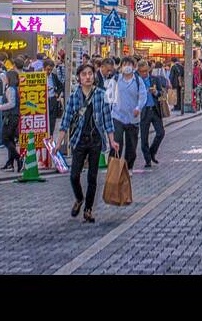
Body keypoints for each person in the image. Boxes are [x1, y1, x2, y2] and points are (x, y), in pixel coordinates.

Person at [54, 64, 117, 222]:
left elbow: (108, 121)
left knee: (92, 177)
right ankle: (79, 198)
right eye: (84, 74)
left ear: (94, 76)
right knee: (74, 175)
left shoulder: (101, 95)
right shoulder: (74, 97)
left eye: (90, 74)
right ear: (79, 78)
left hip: (95, 139)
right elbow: (65, 122)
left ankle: (88, 209)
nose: (88, 77)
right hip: (79, 140)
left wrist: (112, 141)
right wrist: (58, 144)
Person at [107, 57, 147, 170]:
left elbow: (143, 96)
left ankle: (128, 167)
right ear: (121, 66)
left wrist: (138, 108)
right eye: (125, 64)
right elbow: (109, 96)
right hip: (117, 116)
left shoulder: (138, 81)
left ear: (134, 67)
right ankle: (114, 168)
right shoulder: (115, 79)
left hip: (132, 118)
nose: (127, 67)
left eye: (129, 64)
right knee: (116, 143)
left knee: (131, 146)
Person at [138, 60, 167, 167]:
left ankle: (152, 152)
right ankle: (147, 159)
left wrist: (156, 92)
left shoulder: (154, 79)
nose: (144, 73)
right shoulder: (136, 81)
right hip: (143, 111)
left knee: (161, 133)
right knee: (144, 137)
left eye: (146, 71)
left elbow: (161, 92)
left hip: (154, 109)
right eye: (142, 72)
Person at [0, 69, 21, 171]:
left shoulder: (11, 89)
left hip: (10, 117)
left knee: (5, 139)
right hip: (13, 116)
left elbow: (12, 104)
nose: (4, 78)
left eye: (6, 77)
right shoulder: (13, 88)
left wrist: (0, 107)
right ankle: (10, 163)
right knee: (10, 139)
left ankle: (18, 158)